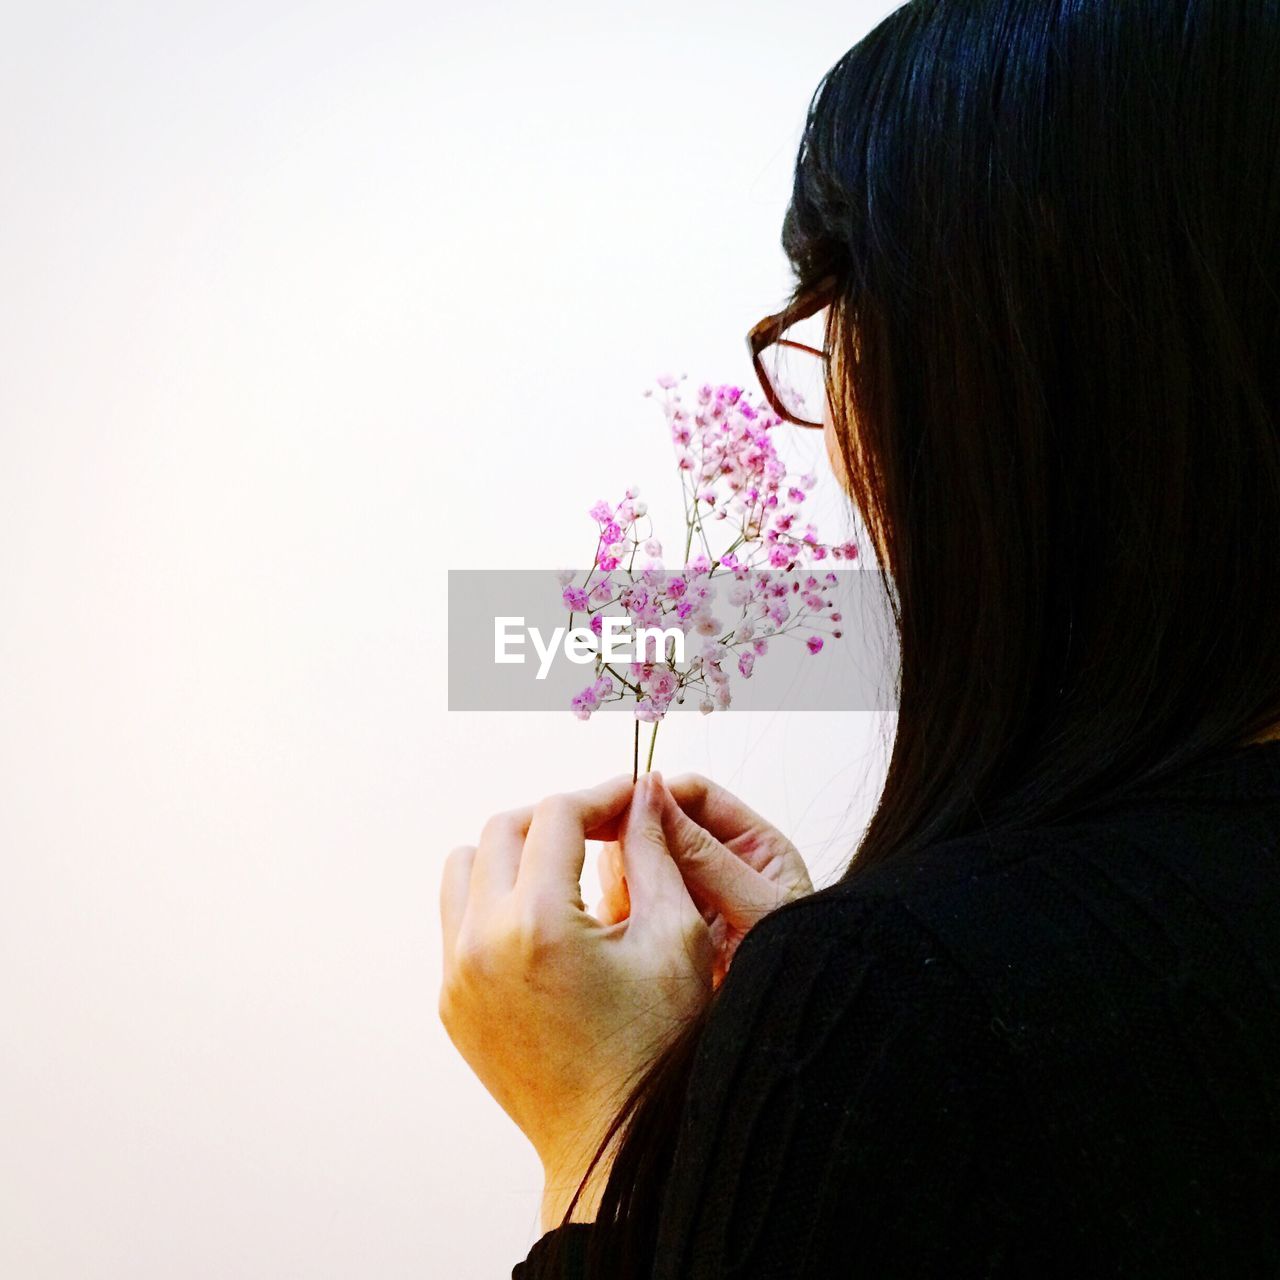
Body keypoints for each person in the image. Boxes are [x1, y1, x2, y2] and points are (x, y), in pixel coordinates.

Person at [439, 1, 1280, 1275]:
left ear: (986, 373)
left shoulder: (898, 1001)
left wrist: (597, 1141)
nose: (830, 433)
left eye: (829, 329)